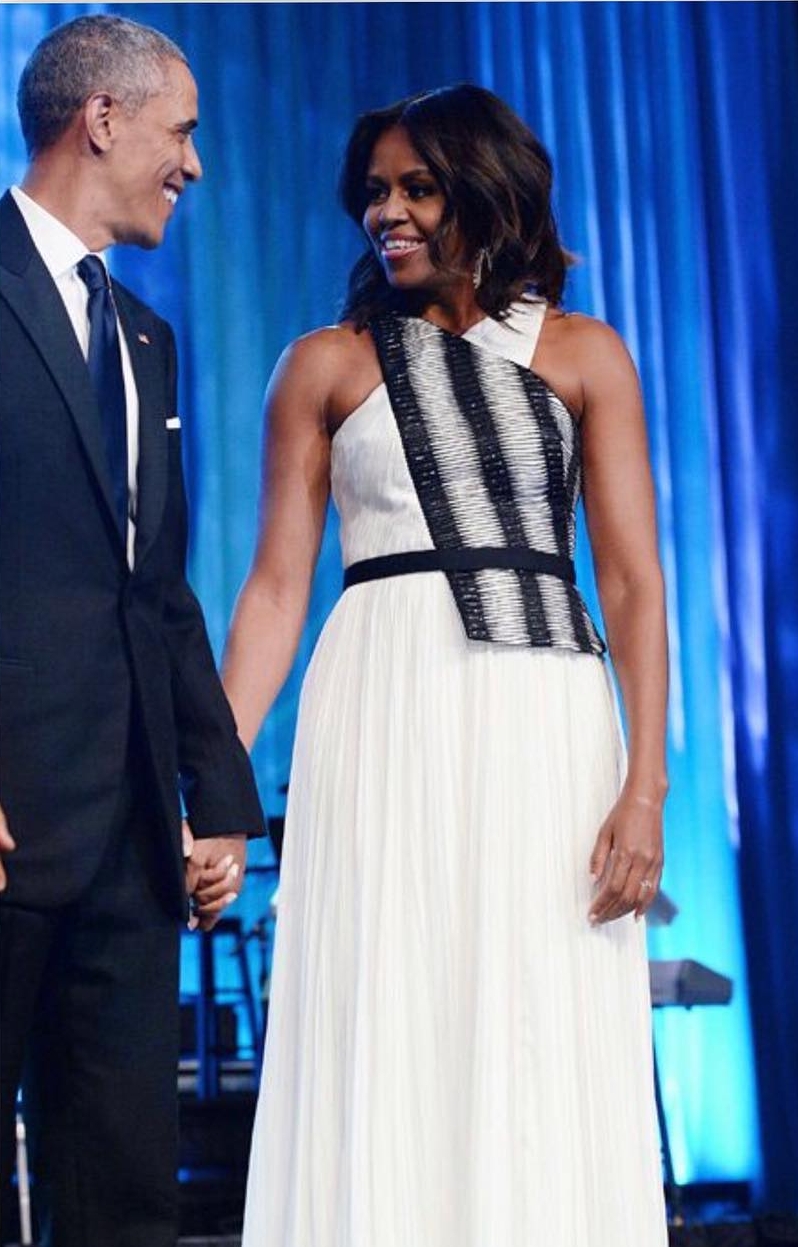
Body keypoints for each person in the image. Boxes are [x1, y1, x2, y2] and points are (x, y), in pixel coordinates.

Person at [214, 84, 668, 1247]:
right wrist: (213, 781)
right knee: (388, 1000)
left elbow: (629, 580)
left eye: (417, 186)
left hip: (543, 710)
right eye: (375, 191)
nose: (389, 212)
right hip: (381, 699)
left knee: (535, 998)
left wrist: (645, 786)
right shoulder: (324, 365)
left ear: (485, 186)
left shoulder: (585, 354)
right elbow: (272, 592)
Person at [0, 16, 265, 1247]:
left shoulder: (147, 341)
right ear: (101, 118)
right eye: (184, 130)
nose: (196, 164)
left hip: (126, 844)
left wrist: (217, 797)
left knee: (121, 1194)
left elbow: (157, 591)